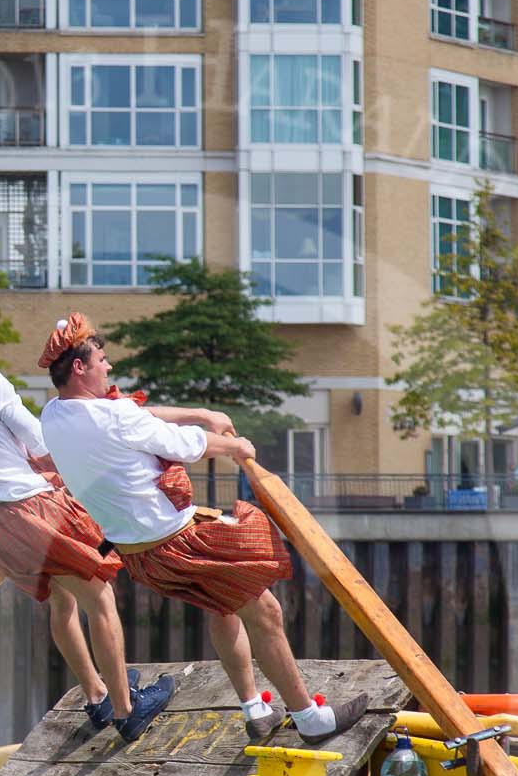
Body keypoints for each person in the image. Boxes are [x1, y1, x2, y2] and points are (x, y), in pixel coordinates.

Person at [36, 314, 368, 746]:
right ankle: (309, 717)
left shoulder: (54, 414)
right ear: (79, 368)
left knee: (224, 606)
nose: (108, 367)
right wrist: (235, 446)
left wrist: (202, 412)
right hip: (182, 542)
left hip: (142, 558)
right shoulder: (113, 418)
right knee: (265, 611)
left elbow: (137, 414)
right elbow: (182, 445)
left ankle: (255, 710)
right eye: (101, 359)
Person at [0, 297, 169, 737]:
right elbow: (39, 442)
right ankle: (127, 710)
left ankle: (96, 695)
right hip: (28, 508)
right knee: (100, 597)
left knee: (62, 600)